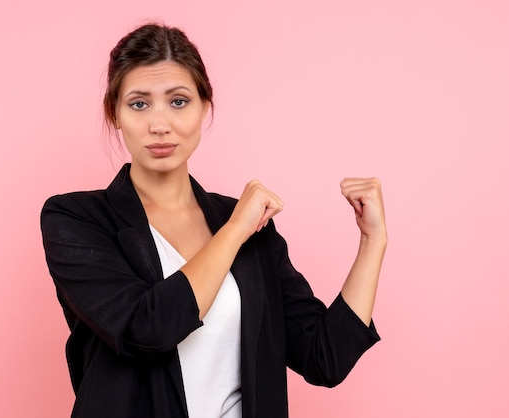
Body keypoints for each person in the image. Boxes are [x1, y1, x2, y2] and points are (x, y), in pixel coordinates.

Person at [41, 23, 386, 418]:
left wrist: (372, 241)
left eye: (179, 101)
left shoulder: (251, 226)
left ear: (205, 107)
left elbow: (325, 357)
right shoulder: (76, 218)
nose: (159, 124)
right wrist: (234, 232)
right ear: (114, 113)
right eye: (139, 103)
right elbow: (147, 330)